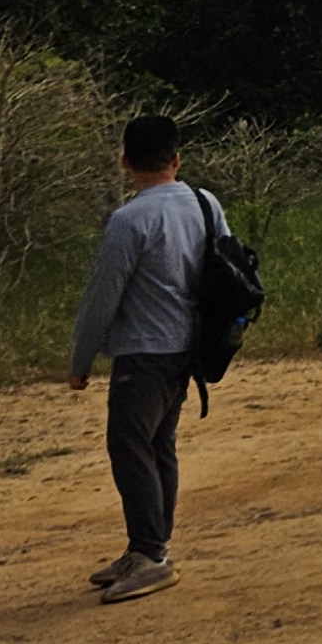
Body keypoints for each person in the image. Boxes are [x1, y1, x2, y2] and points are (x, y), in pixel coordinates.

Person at [70, 113, 210, 603]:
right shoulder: (205, 203)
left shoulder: (129, 220)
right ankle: (148, 547)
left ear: (125, 162)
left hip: (144, 352)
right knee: (159, 445)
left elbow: (101, 298)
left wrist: (80, 359)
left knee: (130, 448)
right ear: (177, 159)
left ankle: (151, 554)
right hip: (189, 349)